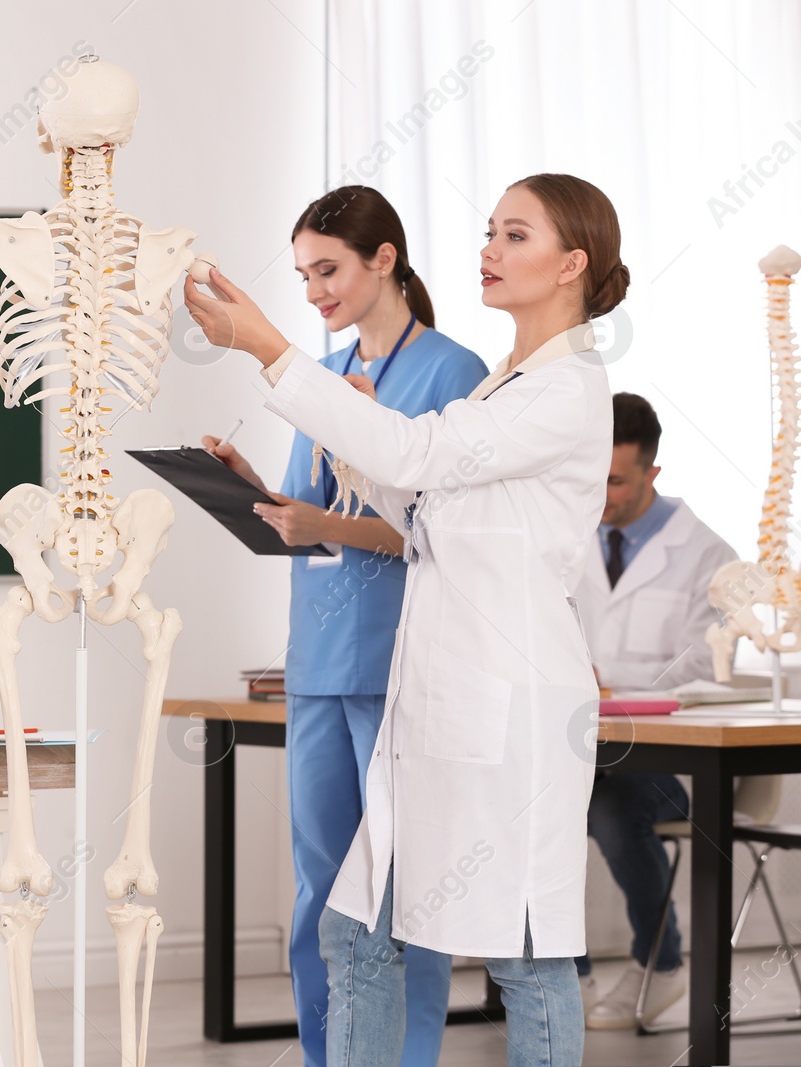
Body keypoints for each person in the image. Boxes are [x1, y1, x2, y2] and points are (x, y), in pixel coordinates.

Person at [186, 172, 629, 1067]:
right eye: (489, 233)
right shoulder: (508, 382)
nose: (488, 250)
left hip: (509, 710)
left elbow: (419, 452)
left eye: (514, 236)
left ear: (571, 263)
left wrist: (267, 348)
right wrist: (342, 460)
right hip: (433, 701)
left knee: (527, 956)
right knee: (357, 933)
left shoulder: (570, 389)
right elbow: (425, 497)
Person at [205, 185, 484, 1066]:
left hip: (402, 661)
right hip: (321, 662)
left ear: (384, 259)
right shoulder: (319, 377)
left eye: (328, 269)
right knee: (322, 890)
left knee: (403, 888)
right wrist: (248, 486)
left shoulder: (453, 373)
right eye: (303, 274)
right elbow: (311, 521)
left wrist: (322, 523)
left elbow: (437, 530)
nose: (314, 290)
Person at [572, 392, 736, 1028]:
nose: (602, 494)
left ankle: (660, 964)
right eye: (592, 477)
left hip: (677, 764)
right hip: (581, 750)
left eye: (615, 480)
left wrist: (601, 681)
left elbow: (701, 667)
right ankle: (566, 975)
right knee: (531, 803)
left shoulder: (707, 555)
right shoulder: (568, 539)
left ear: (652, 474)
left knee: (611, 807)